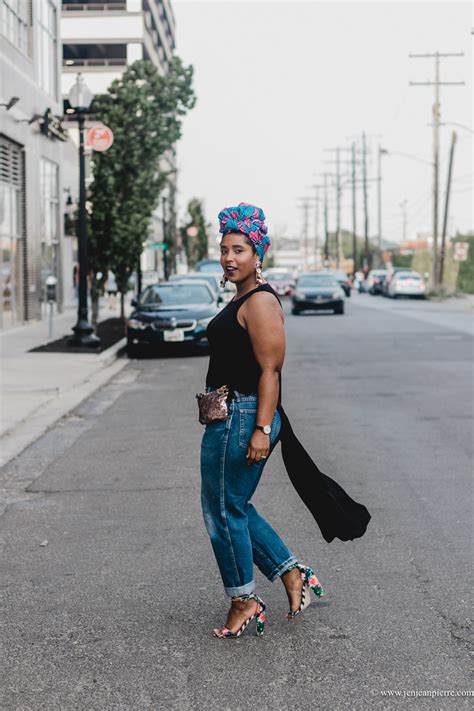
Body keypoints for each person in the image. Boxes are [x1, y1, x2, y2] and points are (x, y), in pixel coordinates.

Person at [200, 203, 325, 639]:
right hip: (231, 414)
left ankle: (244, 599)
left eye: (239, 249)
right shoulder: (241, 297)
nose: (230, 257)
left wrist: (261, 429)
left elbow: (271, 370)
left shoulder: (260, 302)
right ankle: (292, 574)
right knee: (230, 505)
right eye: (224, 249)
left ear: (258, 255)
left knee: (221, 510)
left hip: (244, 415)